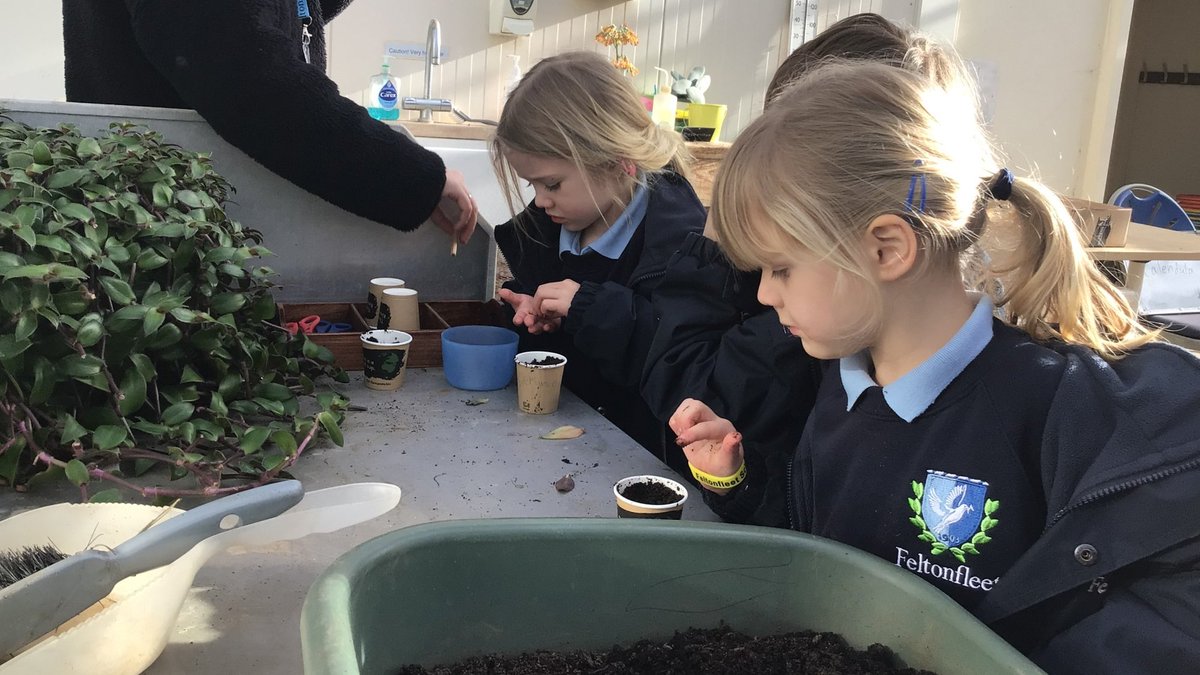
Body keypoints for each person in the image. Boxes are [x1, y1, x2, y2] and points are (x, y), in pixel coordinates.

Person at [669, 49, 1200, 672]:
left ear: (887, 249)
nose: (763, 294)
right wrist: (740, 479)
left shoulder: (1060, 410)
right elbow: (829, 543)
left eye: (780, 268)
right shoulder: (844, 380)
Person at [641, 13, 938, 521]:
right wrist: (737, 479)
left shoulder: (818, 328)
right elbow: (808, 504)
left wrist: (718, 240)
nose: (764, 292)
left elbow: (682, 386)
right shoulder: (843, 346)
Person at [61, 0, 476, 243]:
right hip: (165, 233)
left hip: (168, 219)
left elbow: (260, 26)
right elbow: (252, 80)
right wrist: (417, 177)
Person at [492, 51, 707, 466]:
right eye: (531, 185)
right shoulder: (544, 233)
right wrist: (532, 315)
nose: (540, 200)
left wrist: (592, 309)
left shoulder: (684, 246)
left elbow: (686, 363)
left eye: (552, 183)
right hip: (562, 454)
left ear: (617, 159)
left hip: (647, 468)